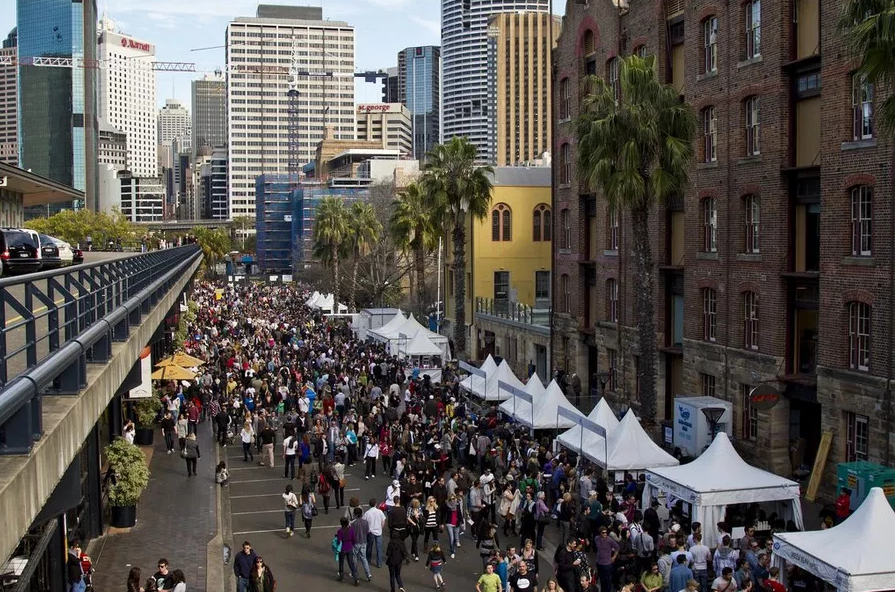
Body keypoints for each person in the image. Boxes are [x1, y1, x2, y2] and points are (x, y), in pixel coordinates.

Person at [593, 527, 619, 592]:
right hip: (599, 563)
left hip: (607, 564)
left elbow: (617, 547)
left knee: (608, 581)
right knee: (601, 580)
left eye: (606, 532)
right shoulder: (596, 538)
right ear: (600, 533)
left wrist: (614, 557)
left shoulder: (609, 540)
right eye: (603, 533)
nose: (605, 534)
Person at [364, 498, 388, 568]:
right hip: (378, 532)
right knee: (379, 548)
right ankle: (379, 563)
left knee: (369, 547)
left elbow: (365, 523)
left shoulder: (367, 513)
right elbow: (383, 521)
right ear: (376, 504)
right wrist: (381, 527)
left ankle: (368, 560)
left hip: (370, 532)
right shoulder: (379, 512)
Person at [337, 516, 359, 585]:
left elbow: (338, 541)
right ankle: (356, 578)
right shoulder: (351, 530)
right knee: (351, 563)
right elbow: (354, 539)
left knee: (341, 563)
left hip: (343, 548)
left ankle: (341, 577)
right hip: (349, 547)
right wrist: (352, 544)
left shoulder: (340, 531)